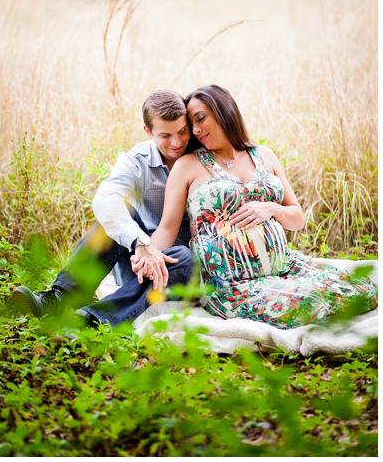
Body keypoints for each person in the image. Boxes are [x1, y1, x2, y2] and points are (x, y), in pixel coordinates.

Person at [135, 84, 378, 328]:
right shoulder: (188, 164)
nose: (196, 130)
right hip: (229, 283)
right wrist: (146, 252)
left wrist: (272, 209)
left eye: (201, 119)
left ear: (224, 111)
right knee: (310, 304)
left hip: (285, 268)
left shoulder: (264, 155)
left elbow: (297, 218)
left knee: (363, 290)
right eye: (192, 123)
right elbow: (167, 228)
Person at [11, 90, 195, 328]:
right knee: (118, 213)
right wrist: (140, 243)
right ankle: (61, 298)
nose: (177, 142)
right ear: (148, 132)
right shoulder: (136, 161)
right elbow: (105, 199)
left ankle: (91, 317)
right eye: (166, 135)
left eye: (182, 131)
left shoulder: (200, 158)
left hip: (178, 267)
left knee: (186, 256)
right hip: (137, 265)